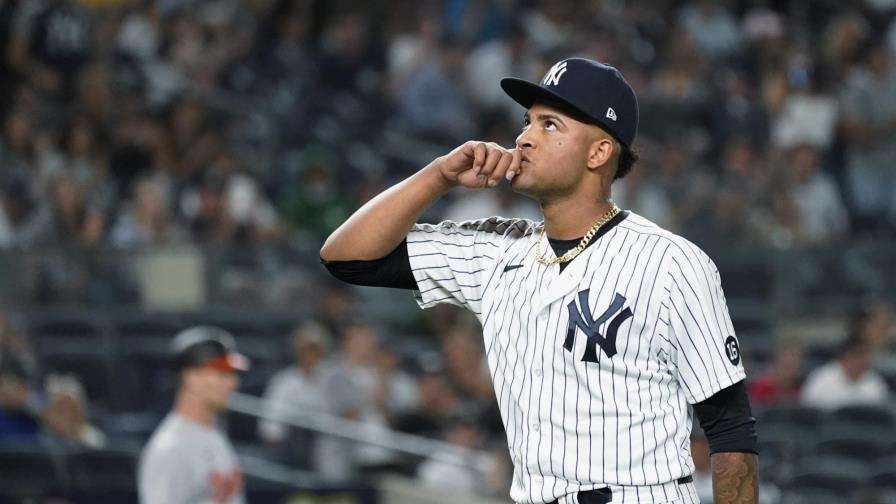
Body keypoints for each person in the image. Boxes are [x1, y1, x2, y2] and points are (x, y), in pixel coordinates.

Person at [322, 57, 758, 503]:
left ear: (598, 152)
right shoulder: (495, 251)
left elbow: (730, 430)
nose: (524, 138)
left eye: (550, 125)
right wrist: (439, 176)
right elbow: (347, 258)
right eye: (526, 121)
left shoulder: (671, 262)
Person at [138, 326, 249, 504]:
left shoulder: (213, 434)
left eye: (232, 374)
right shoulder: (170, 449)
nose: (232, 383)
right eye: (222, 374)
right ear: (191, 377)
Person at [800, 332, 890, 410]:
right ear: (843, 355)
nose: (859, 360)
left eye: (863, 355)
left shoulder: (875, 384)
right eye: (855, 354)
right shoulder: (821, 379)